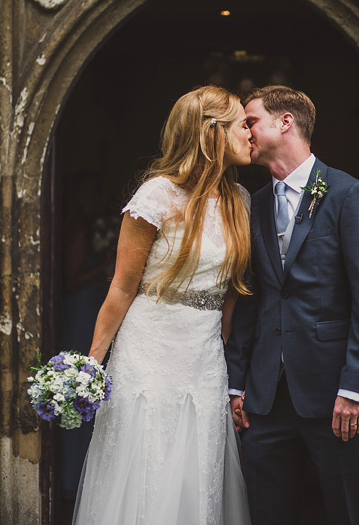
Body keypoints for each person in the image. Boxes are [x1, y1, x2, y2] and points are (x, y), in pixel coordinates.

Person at [72, 85, 254, 525]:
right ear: (213, 133)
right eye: (241, 124)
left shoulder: (241, 202)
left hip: (205, 354)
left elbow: (231, 295)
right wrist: (91, 365)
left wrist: (222, 354)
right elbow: (120, 287)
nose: (251, 133)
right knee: (147, 463)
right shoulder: (157, 195)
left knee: (199, 470)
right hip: (148, 347)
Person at [225, 85, 359, 525]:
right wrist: (237, 383)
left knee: (351, 512)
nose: (244, 130)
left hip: (337, 397)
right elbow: (250, 298)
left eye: (250, 120)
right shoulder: (252, 206)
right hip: (263, 400)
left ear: (285, 122)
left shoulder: (350, 196)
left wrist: (356, 388)